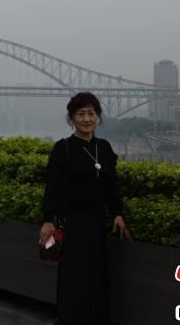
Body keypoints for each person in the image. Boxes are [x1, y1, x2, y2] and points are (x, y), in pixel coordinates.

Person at [39, 92, 129, 325]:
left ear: (97, 117)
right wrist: (48, 220)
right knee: (72, 273)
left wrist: (117, 213)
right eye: (81, 114)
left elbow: (111, 184)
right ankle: (70, 318)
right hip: (73, 221)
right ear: (72, 118)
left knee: (96, 274)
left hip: (97, 221)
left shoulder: (104, 148)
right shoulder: (64, 148)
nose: (87, 119)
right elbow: (53, 187)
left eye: (91, 113)